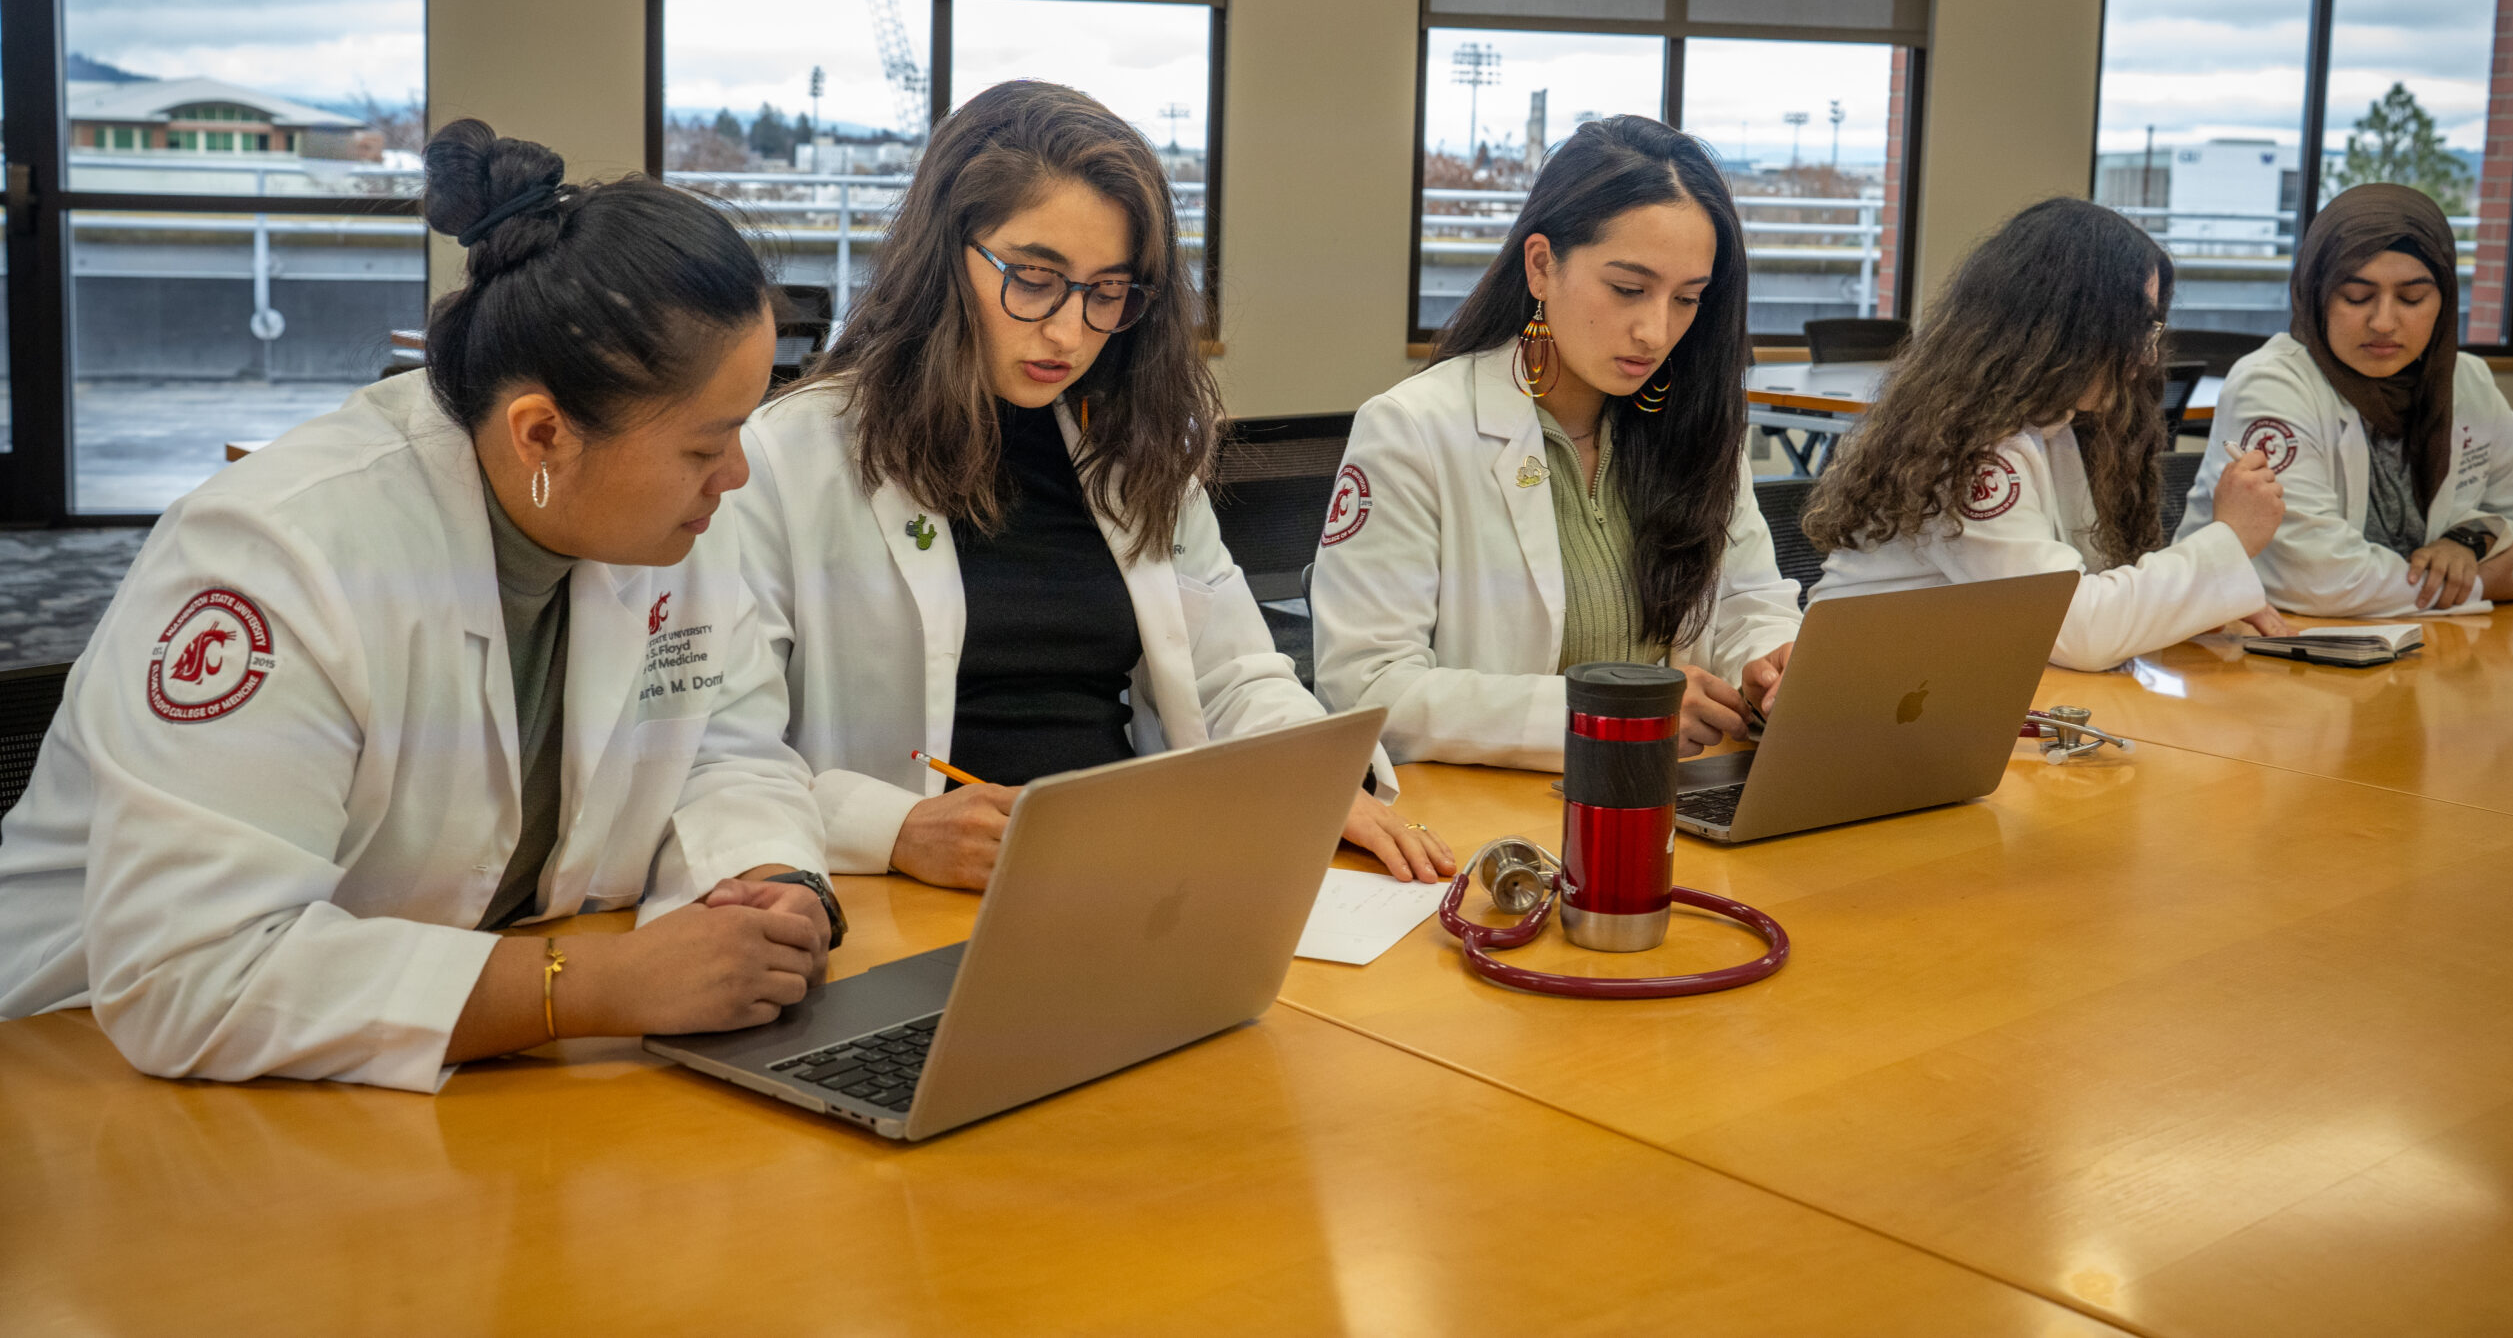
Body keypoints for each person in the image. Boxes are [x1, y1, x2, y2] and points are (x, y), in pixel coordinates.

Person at [0, 121, 838, 1091]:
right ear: (542, 433)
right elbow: (194, 973)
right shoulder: (279, 557)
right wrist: (587, 985)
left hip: (454, 1069)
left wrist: (764, 882)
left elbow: (726, 747)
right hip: (92, 1071)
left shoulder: (669, 522)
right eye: (705, 445)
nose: (735, 475)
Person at [732, 80, 1454, 889]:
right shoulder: (789, 458)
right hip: (902, 897)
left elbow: (1233, 671)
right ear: (945, 255)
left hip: (1127, 874)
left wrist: (1312, 779)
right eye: (1034, 278)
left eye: (1109, 291)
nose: (1071, 332)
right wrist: (891, 827)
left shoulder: (1129, 439)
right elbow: (723, 747)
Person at [1311, 115, 1800, 770]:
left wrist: (1768, 663)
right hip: (1497, 826)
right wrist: (1611, 716)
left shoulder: (1697, 426)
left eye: (1687, 299)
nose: (1655, 331)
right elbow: (1367, 692)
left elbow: (1748, 603)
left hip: (1671, 798)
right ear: (1542, 265)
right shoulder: (1414, 430)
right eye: (1628, 289)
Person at [1806, 197, 2289, 671]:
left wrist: (2188, 604)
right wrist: (2228, 542)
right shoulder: (1973, 453)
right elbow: (2078, 630)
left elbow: (2091, 596)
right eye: (2135, 330)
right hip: (1862, 695)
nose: (2144, 358)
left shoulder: (2055, 425)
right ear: (2063, 325)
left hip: (1941, 687)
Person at [2178, 183, 2513, 614]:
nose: (2383, 322)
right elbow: (2320, 578)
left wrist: (2471, 542)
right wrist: (2481, 585)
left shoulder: (2466, 381)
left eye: (2412, 298)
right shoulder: (2271, 384)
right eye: (2356, 297)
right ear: (2318, 294)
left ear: (2445, 300)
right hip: (2266, 651)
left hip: (2424, 650)